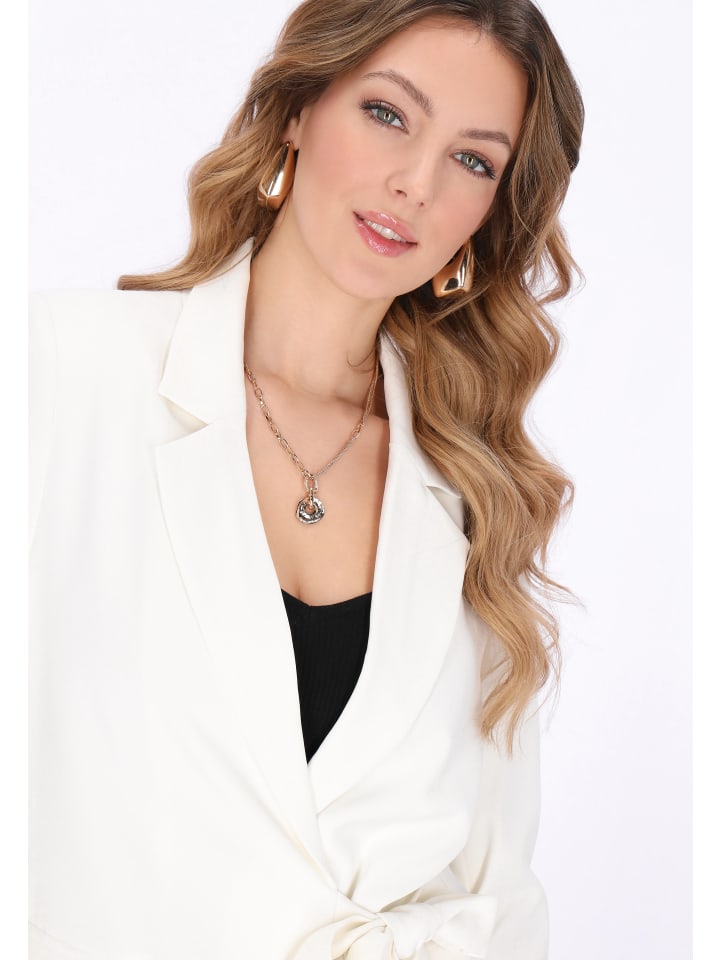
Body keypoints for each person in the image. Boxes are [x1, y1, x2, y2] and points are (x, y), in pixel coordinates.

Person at [29, 0, 584, 957]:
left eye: (472, 160)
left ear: (491, 213)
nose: (415, 183)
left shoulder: (479, 497)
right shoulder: (58, 372)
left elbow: (497, 891)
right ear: (296, 110)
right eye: (387, 113)